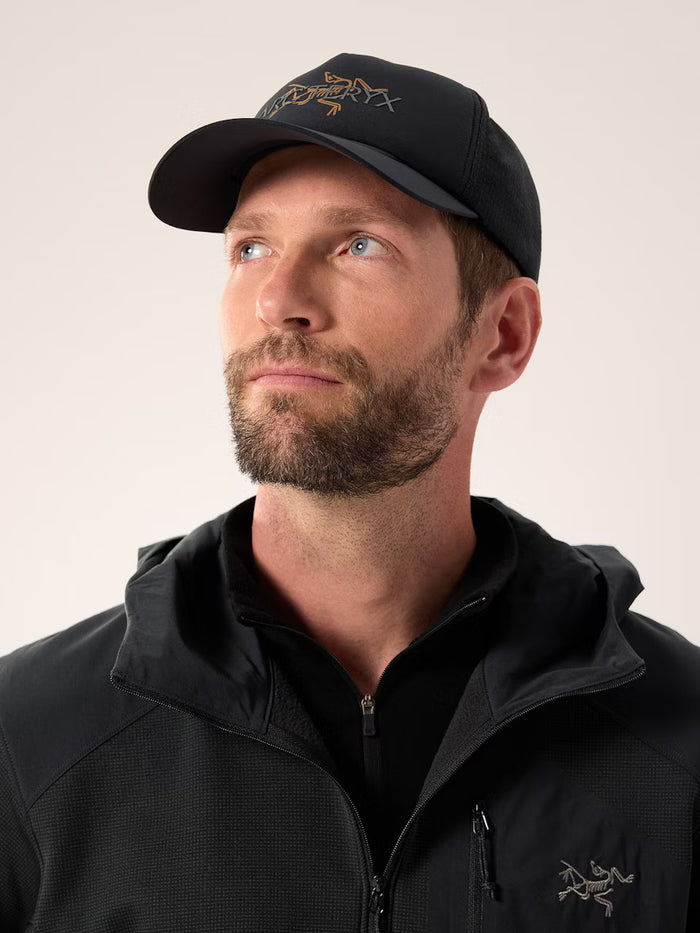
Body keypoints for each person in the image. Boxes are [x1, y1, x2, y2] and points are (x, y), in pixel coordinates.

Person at [0, 52, 698, 932]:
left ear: (504, 334)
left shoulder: (676, 741)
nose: (278, 299)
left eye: (358, 244)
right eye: (251, 247)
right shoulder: (29, 742)